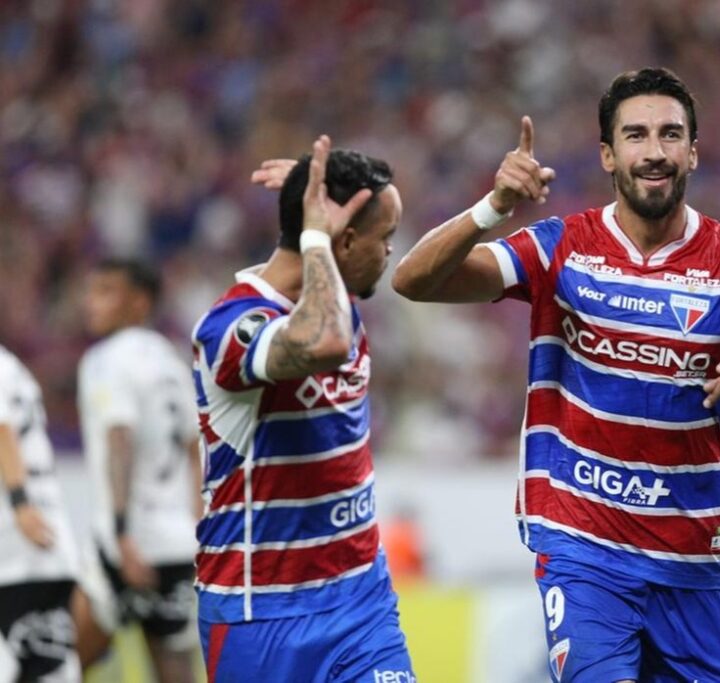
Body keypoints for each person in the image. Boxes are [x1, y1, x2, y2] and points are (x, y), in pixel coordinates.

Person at [391, 67, 720, 682]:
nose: (654, 152)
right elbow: (413, 280)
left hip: (692, 566)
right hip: (585, 547)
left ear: (693, 152)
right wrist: (494, 207)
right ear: (608, 154)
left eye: (671, 135)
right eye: (636, 135)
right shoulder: (561, 247)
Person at [193, 135, 412, 682]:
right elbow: (322, 341)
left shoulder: (340, 293)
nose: (390, 252)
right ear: (344, 241)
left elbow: (325, 297)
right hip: (260, 612)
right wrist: (314, 234)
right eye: (384, 237)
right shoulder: (231, 327)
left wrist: (305, 194)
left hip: (361, 600)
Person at [73, 258, 202, 683]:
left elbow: (119, 438)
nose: (91, 303)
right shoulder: (171, 359)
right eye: (92, 291)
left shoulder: (106, 359)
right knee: (174, 668)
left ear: (139, 302)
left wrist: (123, 533)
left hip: (128, 545)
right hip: (178, 542)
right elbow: (195, 447)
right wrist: (199, 524)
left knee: (57, 663)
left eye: (106, 292)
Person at [0, 344, 80, 682]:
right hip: (50, 538)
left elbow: (2, 429)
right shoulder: (11, 364)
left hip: (17, 542)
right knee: (50, 667)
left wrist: (20, 503)